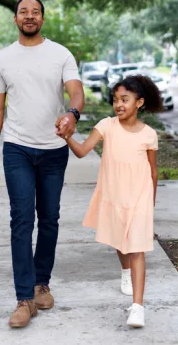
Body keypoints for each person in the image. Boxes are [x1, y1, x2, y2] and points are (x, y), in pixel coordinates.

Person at [0, 0, 84, 328]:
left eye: (35, 12)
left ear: (43, 18)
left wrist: (72, 114)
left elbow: (76, 91)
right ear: (15, 19)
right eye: (24, 12)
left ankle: (42, 283)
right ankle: (24, 298)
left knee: (50, 217)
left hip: (54, 150)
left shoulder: (60, 55)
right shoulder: (2, 59)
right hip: (17, 149)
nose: (30, 16)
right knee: (21, 218)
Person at [64, 74, 161, 329]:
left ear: (139, 103)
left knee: (137, 248)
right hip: (115, 196)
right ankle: (125, 272)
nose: (119, 105)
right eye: (116, 100)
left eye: (125, 99)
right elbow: (83, 151)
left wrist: (151, 201)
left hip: (139, 197)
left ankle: (138, 308)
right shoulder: (107, 125)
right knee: (121, 241)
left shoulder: (149, 135)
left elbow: (152, 171)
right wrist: (67, 137)